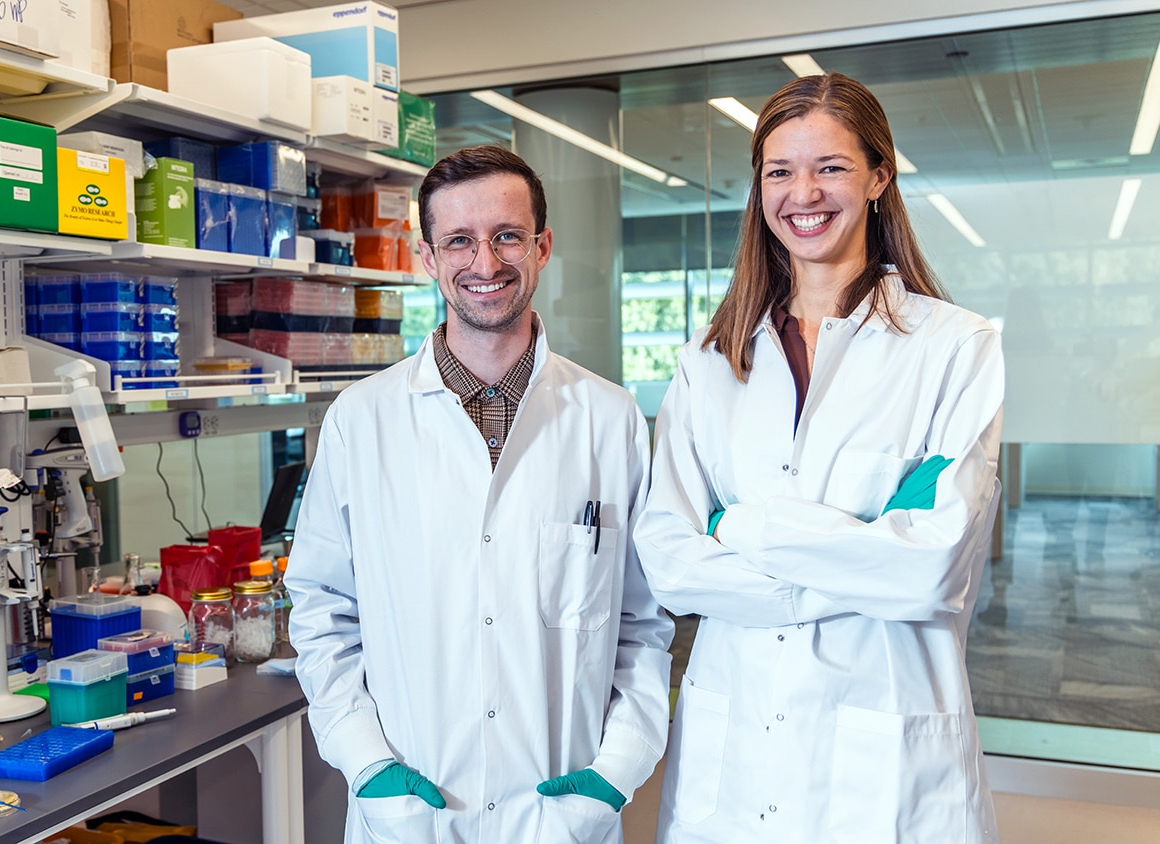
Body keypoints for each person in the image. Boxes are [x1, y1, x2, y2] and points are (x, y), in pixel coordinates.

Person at [635, 72, 1003, 842]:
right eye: (780, 171)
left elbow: (931, 566)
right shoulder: (710, 361)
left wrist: (735, 529)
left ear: (878, 175)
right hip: (732, 755)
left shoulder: (953, 348)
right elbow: (669, 562)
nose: (803, 192)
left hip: (887, 757)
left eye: (830, 167)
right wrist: (864, 551)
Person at [286, 145, 674, 842]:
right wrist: (366, 763)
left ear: (542, 246)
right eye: (459, 241)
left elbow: (644, 626)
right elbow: (321, 613)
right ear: (427, 258)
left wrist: (615, 773)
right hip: (412, 809)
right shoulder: (361, 420)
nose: (485, 264)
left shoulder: (611, 420)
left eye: (507, 237)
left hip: (563, 810)